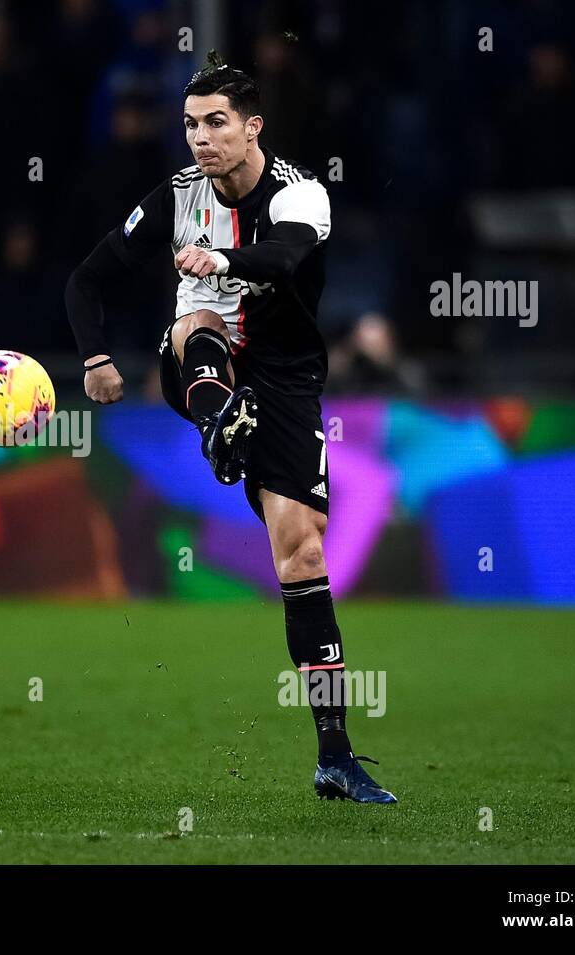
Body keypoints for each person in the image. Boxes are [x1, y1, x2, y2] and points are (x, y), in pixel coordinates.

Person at [65, 52, 396, 804]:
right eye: (190, 125)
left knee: (302, 551)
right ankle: (219, 424)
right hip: (200, 364)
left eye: (217, 123)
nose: (201, 138)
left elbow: (283, 257)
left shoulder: (302, 191)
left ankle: (335, 755)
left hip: (285, 384)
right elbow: (86, 278)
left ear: (253, 129)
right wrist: (94, 357)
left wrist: (219, 254)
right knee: (200, 318)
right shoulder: (176, 197)